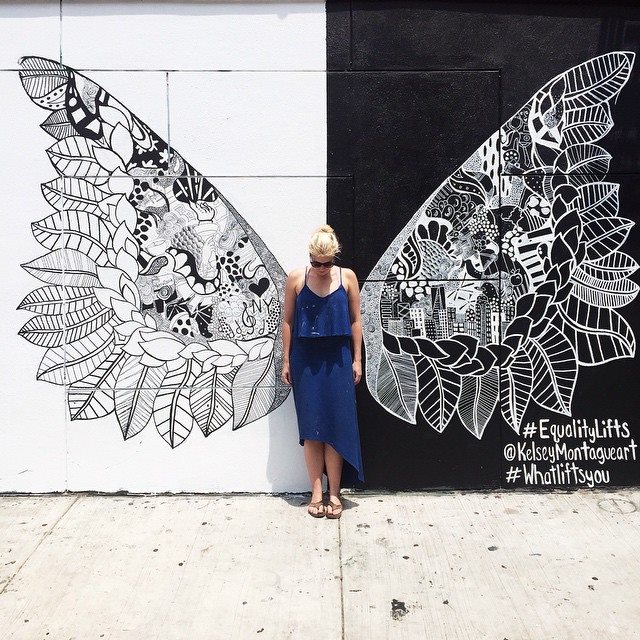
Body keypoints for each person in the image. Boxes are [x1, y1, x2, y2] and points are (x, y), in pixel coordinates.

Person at [281, 225, 364, 519]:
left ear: (334, 258)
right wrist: (286, 361)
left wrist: (357, 359)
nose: (320, 268)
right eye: (315, 263)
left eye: (326, 263)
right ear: (310, 257)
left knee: (336, 427)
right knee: (312, 429)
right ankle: (316, 493)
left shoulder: (348, 277)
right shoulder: (296, 278)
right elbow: (287, 321)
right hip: (305, 360)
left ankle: (334, 493)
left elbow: (355, 321)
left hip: (338, 359)